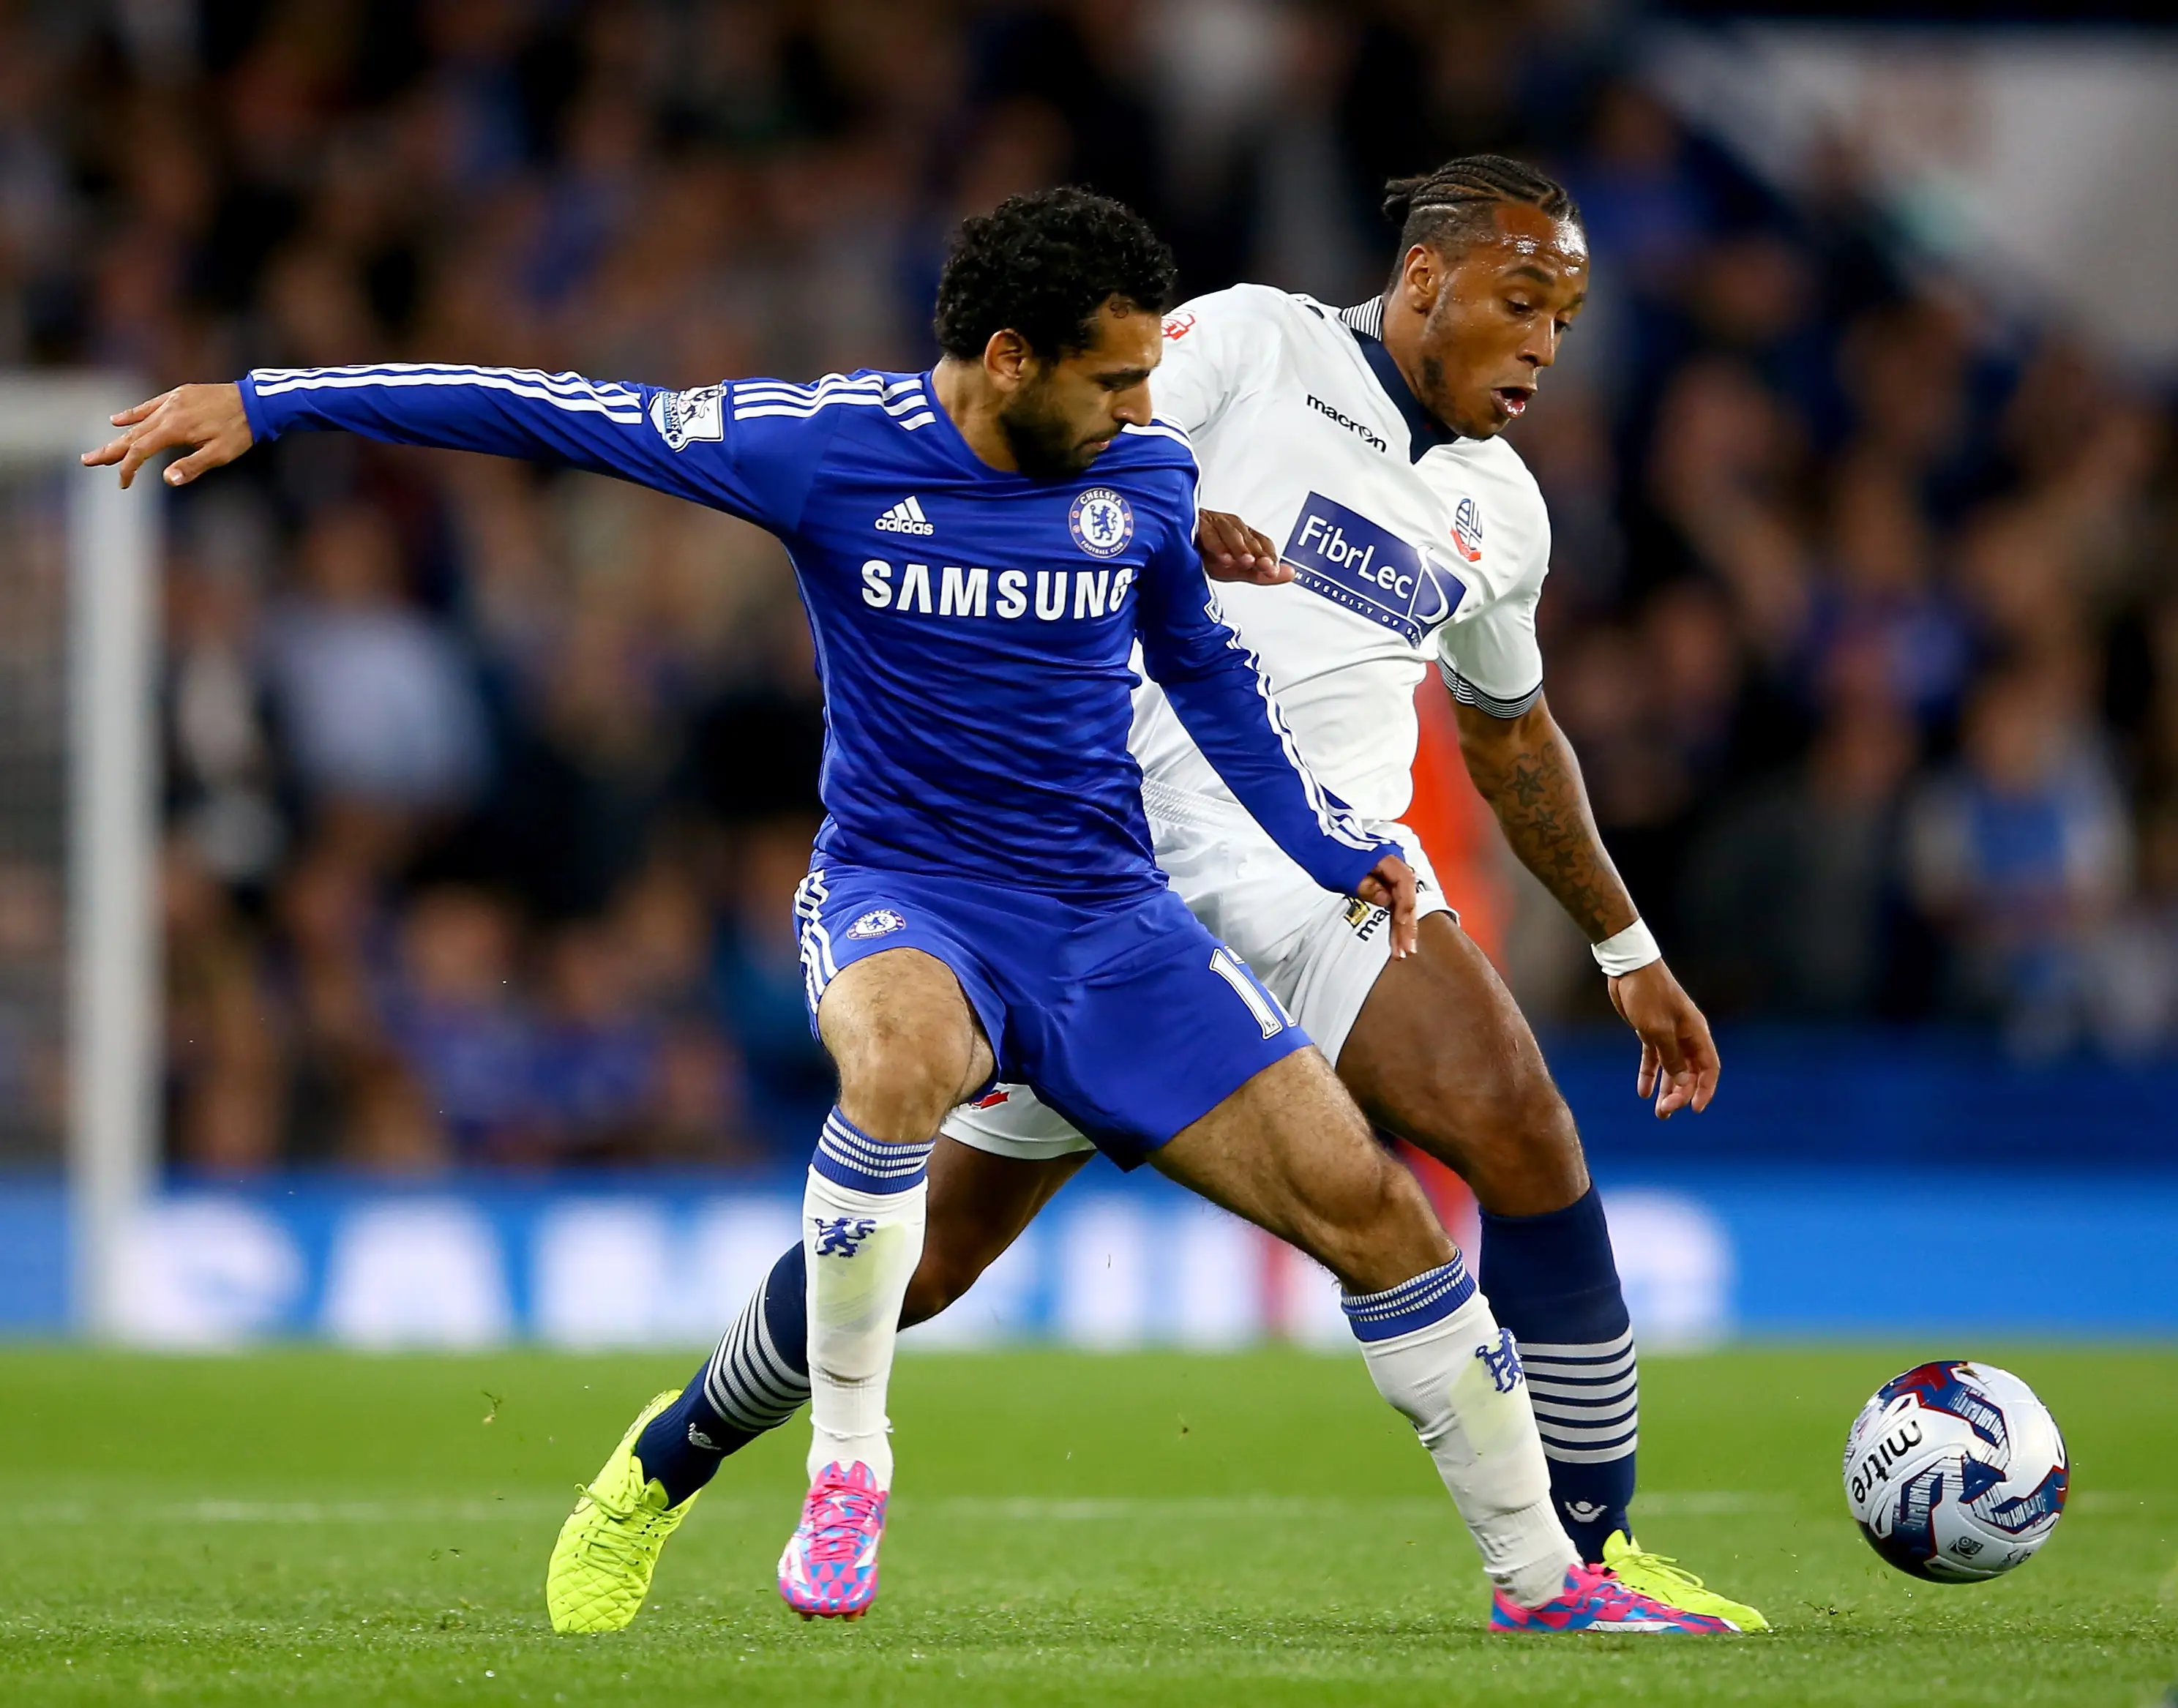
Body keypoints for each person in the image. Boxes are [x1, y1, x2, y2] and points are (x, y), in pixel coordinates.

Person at [86, 189, 1729, 1637]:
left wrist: (1329, 842)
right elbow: (551, 413)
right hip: (915, 890)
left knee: (1389, 1203)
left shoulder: (1163, 479)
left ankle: (1556, 1577)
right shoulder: (831, 447)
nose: (1154, 407)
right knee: (901, 1114)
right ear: (1012, 361)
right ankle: (774, 1472)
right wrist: (274, 397)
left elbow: (1210, 676)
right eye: (1120, 377)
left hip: (1117, 926)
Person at [634, 157, 1765, 1632]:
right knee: (930, 1260)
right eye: (1524, 299)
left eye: (1569, 314)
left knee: (1524, 1127)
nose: (1549, 340)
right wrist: (1176, 525)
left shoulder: (1506, 513)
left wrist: (1626, 944)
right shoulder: (1250, 344)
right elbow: (1088, 441)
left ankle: (1585, 1563)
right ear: (1425, 280)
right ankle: (673, 1454)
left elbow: (1512, 738)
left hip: (1325, 878)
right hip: (1108, 880)